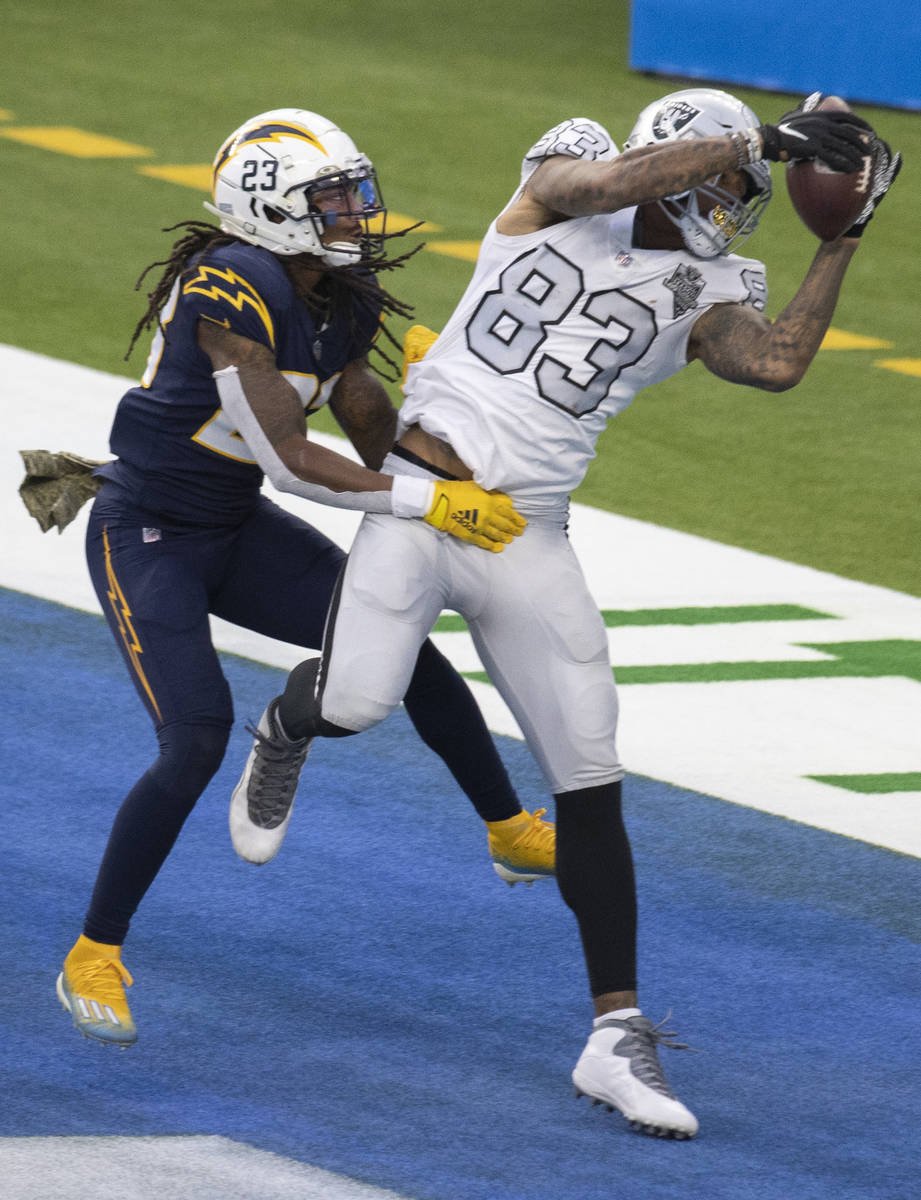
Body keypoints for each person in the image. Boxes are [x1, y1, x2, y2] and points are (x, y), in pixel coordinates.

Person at [233, 90, 900, 1137]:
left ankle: (615, 1034)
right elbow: (602, 184)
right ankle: (292, 718)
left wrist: (845, 239)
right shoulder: (572, 170)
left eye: (746, 187)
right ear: (675, 151)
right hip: (419, 494)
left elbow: (774, 365)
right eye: (725, 175)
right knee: (359, 701)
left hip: (526, 531)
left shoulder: (720, 280)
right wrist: (750, 140)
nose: (736, 198)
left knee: (591, 774)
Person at [54, 107, 557, 1051]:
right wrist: (424, 506)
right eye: (331, 196)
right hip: (151, 532)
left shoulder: (337, 291)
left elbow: (368, 421)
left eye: (352, 192)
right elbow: (288, 457)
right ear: (270, 207)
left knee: (398, 638)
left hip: (234, 526)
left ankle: (506, 826)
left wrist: (438, 447)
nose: (354, 211)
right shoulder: (230, 284)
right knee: (195, 740)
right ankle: (94, 951)